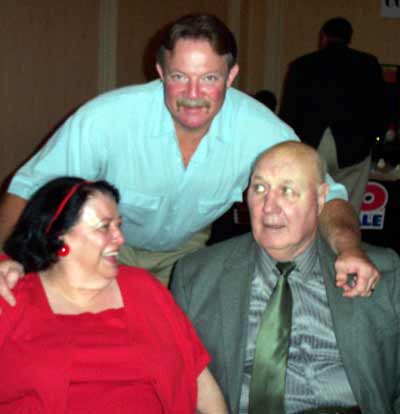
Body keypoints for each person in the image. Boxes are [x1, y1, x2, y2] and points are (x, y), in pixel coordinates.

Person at [0, 14, 378, 293]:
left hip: (186, 255)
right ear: (161, 72)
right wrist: (6, 260)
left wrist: (350, 248)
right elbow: (31, 185)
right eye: (180, 76)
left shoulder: (260, 131)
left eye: (210, 78)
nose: (193, 93)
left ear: (231, 78)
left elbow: (328, 195)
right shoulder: (107, 118)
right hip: (101, 244)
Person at [171, 142, 400, 414]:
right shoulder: (197, 276)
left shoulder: (381, 271)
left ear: (321, 199)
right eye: (259, 188)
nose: (270, 206)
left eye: (287, 191)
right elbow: (179, 382)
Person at [0, 177, 227, 413]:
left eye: (119, 225)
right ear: (60, 236)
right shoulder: (12, 296)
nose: (120, 238)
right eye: (104, 226)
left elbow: (198, 375)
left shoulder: (143, 288)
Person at [280, 17, 387, 213]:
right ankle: (343, 239)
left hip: (311, 142)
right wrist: (375, 140)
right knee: (349, 205)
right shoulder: (368, 64)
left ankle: (310, 240)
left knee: (309, 202)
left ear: (324, 37)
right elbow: (380, 107)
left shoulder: (301, 65)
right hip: (354, 145)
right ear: (350, 38)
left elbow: (289, 111)